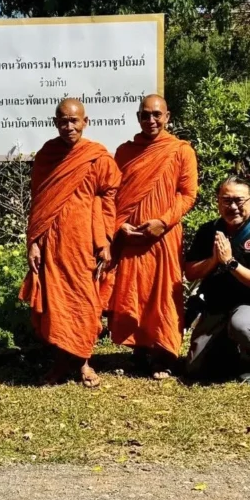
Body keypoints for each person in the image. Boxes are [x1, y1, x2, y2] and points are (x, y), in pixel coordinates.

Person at [19, 97, 121, 387]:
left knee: (86, 303)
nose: (68, 126)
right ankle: (61, 362)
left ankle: (84, 361)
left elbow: (108, 198)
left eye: (74, 120)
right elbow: (39, 203)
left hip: (85, 242)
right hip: (52, 242)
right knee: (56, 303)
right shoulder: (47, 155)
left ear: (85, 122)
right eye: (63, 120)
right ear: (55, 123)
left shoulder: (98, 157)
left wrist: (104, 240)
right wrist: (34, 242)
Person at [105, 94, 198, 377]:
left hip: (164, 235)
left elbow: (187, 194)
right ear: (138, 118)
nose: (151, 120)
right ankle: (140, 349)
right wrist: (119, 224)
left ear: (168, 117)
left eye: (157, 114)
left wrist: (163, 221)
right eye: (145, 115)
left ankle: (165, 354)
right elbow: (112, 194)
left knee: (163, 292)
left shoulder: (181, 151)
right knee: (135, 291)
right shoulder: (124, 152)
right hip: (132, 236)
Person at [183, 176, 250, 385]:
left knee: (242, 325)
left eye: (239, 200)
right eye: (226, 200)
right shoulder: (208, 231)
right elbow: (190, 272)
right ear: (218, 201)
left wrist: (230, 263)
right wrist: (214, 260)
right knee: (194, 368)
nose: (233, 206)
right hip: (214, 305)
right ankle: (226, 346)